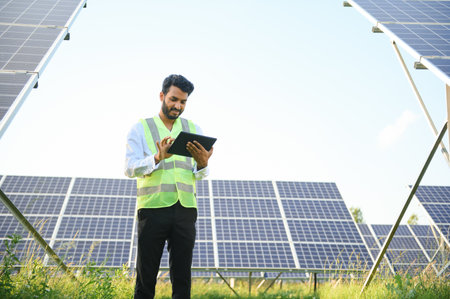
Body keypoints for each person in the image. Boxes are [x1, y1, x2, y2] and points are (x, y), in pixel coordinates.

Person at [124, 74, 213, 298]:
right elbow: (129, 168)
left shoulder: (194, 128)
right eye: (174, 99)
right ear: (162, 96)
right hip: (153, 209)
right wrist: (156, 158)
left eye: (183, 102)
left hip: (185, 210)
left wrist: (203, 164)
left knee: (182, 277)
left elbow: (199, 174)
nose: (178, 105)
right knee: (146, 276)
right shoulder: (140, 128)